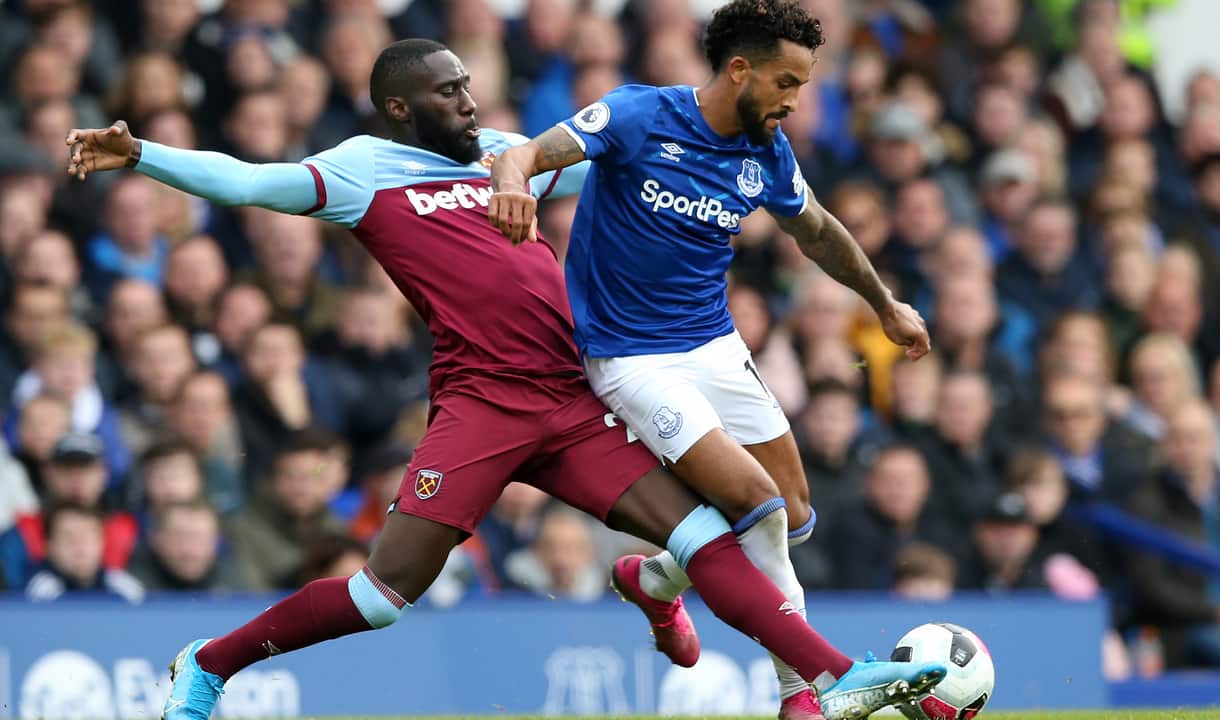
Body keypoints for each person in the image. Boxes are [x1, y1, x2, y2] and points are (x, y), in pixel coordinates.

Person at [66, 38, 944, 720]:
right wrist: (144, 154)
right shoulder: (364, 171)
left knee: (706, 532)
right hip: (479, 405)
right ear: (399, 105)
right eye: (448, 90)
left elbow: (622, 151)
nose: (468, 100)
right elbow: (251, 182)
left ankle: (830, 673)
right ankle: (210, 663)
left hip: (573, 395)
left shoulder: (506, 151)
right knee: (381, 598)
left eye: (468, 84)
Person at [488, 2, 931, 717]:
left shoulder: (766, 151)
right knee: (755, 505)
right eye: (786, 82)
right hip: (632, 359)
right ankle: (803, 694)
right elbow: (523, 155)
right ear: (738, 69)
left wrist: (884, 306)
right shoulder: (638, 116)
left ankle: (658, 581)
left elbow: (816, 231)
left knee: (792, 511)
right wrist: (513, 187)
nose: (793, 100)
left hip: (716, 345)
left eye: (803, 86)